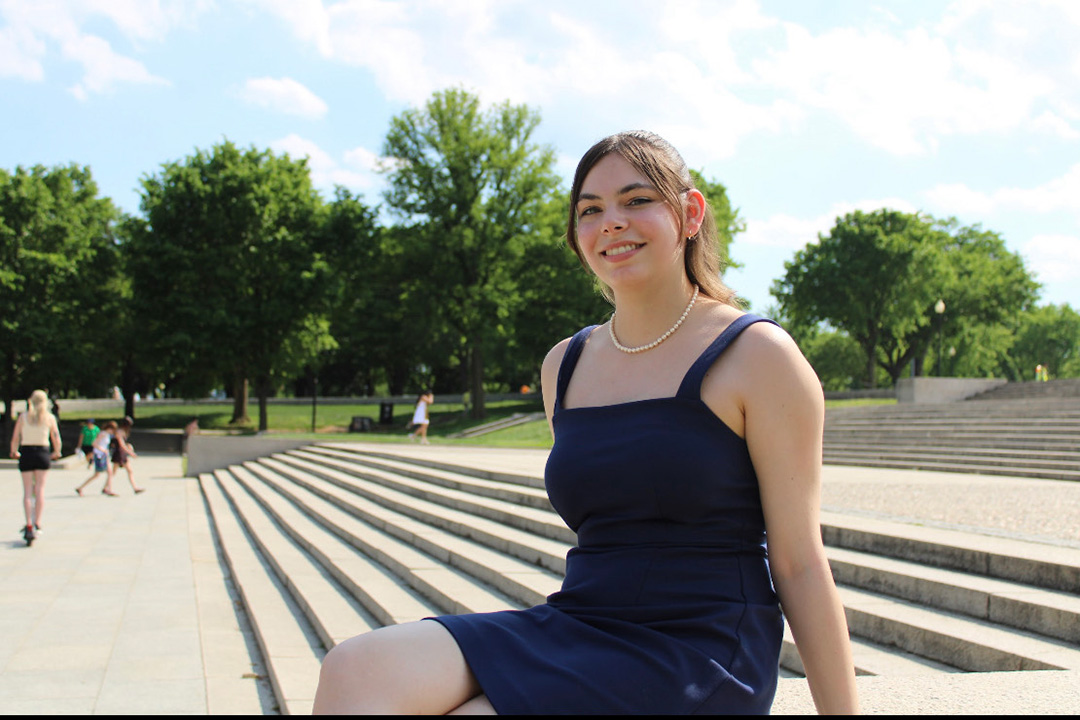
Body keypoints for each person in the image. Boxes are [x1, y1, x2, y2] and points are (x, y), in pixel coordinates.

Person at [312, 131, 859, 714]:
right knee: (354, 667)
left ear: (689, 212)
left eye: (636, 200)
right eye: (590, 210)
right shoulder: (564, 366)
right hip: (582, 621)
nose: (612, 222)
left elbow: (799, 563)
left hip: (701, 647)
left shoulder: (757, 355)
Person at [8, 390, 62, 546]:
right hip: (43, 452)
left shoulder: (23, 417)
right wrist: (57, 451)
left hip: (26, 452)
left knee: (27, 491)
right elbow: (56, 437)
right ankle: (37, 522)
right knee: (39, 489)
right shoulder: (49, 418)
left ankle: (28, 523)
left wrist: (14, 451)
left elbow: (15, 437)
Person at [76, 420, 118, 496]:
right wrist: (103, 450)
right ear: (110, 428)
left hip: (104, 455)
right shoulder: (103, 434)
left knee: (110, 472)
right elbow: (94, 443)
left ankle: (108, 489)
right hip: (100, 455)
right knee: (97, 474)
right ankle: (81, 487)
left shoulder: (106, 434)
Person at [111, 416, 144, 494]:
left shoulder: (122, 431)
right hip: (119, 453)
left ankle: (135, 487)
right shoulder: (119, 432)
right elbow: (121, 445)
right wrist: (131, 453)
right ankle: (107, 487)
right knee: (114, 472)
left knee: (129, 471)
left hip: (122, 453)